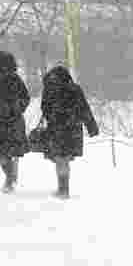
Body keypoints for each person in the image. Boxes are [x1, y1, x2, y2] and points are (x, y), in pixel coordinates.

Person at [38, 66, 99, 199]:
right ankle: (64, 189)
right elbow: (84, 108)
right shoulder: (75, 89)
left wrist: (53, 117)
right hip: (73, 129)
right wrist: (91, 127)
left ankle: (63, 189)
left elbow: (44, 108)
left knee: (60, 159)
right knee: (64, 159)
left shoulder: (50, 89)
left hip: (56, 129)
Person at [0, 50, 31, 193]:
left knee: (2, 151)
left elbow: (25, 98)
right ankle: (10, 178)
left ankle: (10, 180)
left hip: (12, 120)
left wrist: (17, 108)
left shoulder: (13, 78)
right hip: (4, 120)